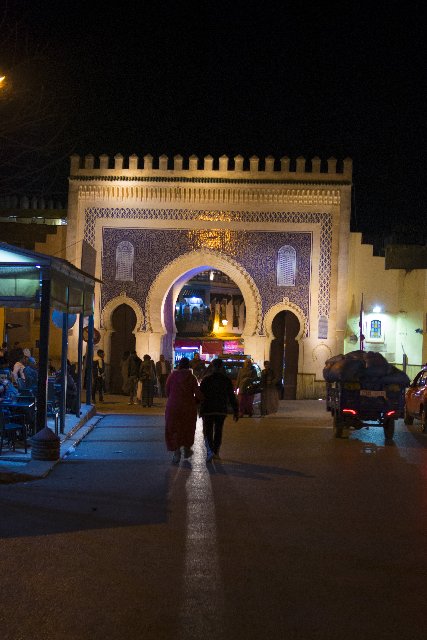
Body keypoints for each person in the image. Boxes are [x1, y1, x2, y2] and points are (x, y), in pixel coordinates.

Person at [199, 358, 239, 462]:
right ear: (221, 367)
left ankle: (210, 451)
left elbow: (200, 395)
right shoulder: (226, 380)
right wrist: (236, 410)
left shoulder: (206, 379)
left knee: (207, 432)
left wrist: (198, 408)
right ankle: (216, 452)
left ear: (212, 367)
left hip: (208, 410)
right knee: (218, 431)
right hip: (220, 409)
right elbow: (231, 396)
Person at [165, 356, 202, 464]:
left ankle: (176, 452)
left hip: (173, 406)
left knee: (174, 428)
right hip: (188, 407)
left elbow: (167, 391)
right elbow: (198, 393)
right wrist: (198, 400)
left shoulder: (172, 376)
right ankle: (186, 449)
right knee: (187, 428)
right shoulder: (192, 378)